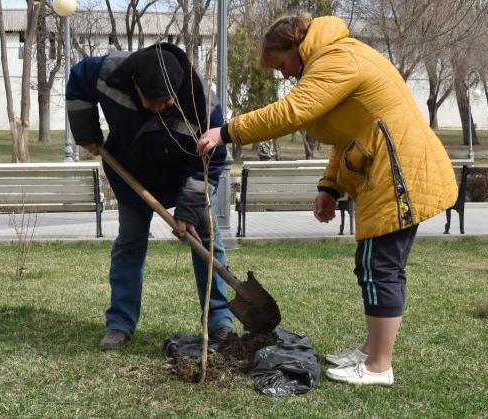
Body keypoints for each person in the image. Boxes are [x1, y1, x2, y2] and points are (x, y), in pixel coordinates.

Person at [197, 14, 458, 385]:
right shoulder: (333, 57)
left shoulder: (337, 58)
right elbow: (346, 135)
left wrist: (227, 132)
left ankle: (379, 366)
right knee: (374, 265)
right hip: (387, 169)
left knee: (379, 267)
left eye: (281, 65)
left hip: (398, 171)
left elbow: (292, 111)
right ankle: (371, 352)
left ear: (294, 45)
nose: (284, 75)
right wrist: (329, 187)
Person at [66, 43, 233, 350]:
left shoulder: (203, 106)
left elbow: (213, 161)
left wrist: (188, 211)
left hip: (185, 177)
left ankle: (219, 322)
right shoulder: (108, 72)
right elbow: (78, 79)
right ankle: (119, 323)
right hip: (130, 172)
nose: (161, 108)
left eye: (167, 103)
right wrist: (85, 131)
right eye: (153, 103)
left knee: (207, 241)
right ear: (135, 84)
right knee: (130, 243)